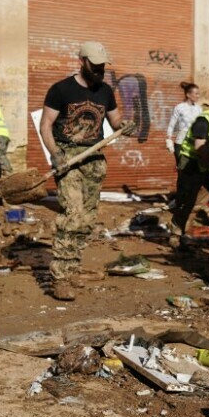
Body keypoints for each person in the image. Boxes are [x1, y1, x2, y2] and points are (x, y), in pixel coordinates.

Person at [39, 41, 133, 301]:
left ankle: (72, 268)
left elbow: (114, 121)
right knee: (73, 215)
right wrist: (55, 155)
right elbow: (46, 125)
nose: (100, 70)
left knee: (88, 221)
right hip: (69, 157)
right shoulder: (61, 90)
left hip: (94, 159)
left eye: (103, 66)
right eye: (95, 65)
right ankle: (61, 277)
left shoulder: (105, 91)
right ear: (82, 61)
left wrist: (124, 125)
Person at [169, 91, 209, 245]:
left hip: (207, 167)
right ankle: (176, 234)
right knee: (186, 202)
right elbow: (200, 147)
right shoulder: (203, 120)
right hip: (191, 165)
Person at [165, 81, 202, 161]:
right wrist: (169, 139)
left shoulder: (199, 109)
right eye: (196, 93)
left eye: (198, 93)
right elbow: (171, 125)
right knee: (181, 169)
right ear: (188, 95)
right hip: (180, 143)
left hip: (193, 144)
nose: (198, 96)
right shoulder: (179, 107)